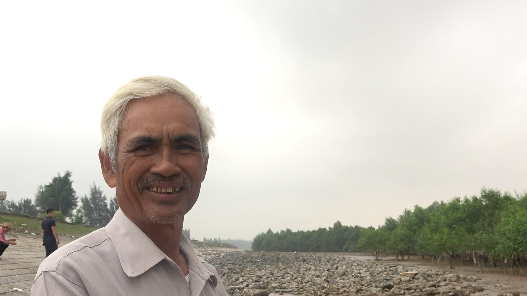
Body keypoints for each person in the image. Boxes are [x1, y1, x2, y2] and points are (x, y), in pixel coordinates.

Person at [32, 76, 227, 296]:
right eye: (144, 147)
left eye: (184, 146)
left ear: (204, 165)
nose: (166, 166)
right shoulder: (69, 277)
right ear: (108, 167)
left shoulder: (210, 281)